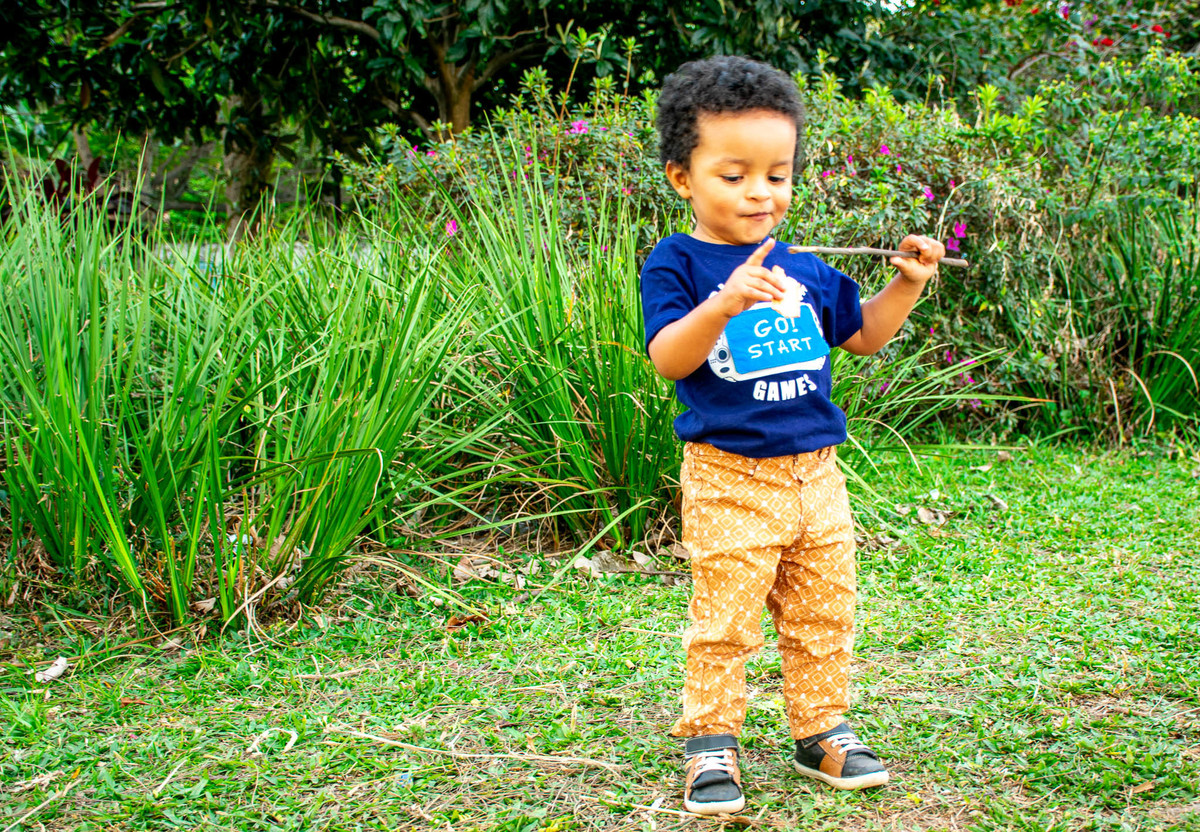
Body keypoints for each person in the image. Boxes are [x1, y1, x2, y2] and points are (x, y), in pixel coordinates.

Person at [640, 55, 945, 816]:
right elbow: (668, 356)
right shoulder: (676, 262)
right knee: (727, 622)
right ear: (684, 177)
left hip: (818, 477)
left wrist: (906, 284)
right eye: (734, 174)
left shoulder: (805, 267)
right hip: (729, 477)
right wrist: (723, 304)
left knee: (823, 611)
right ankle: (711, 741)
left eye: (777, 175)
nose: (759, 192)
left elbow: (866, 333)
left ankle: (820, 730)